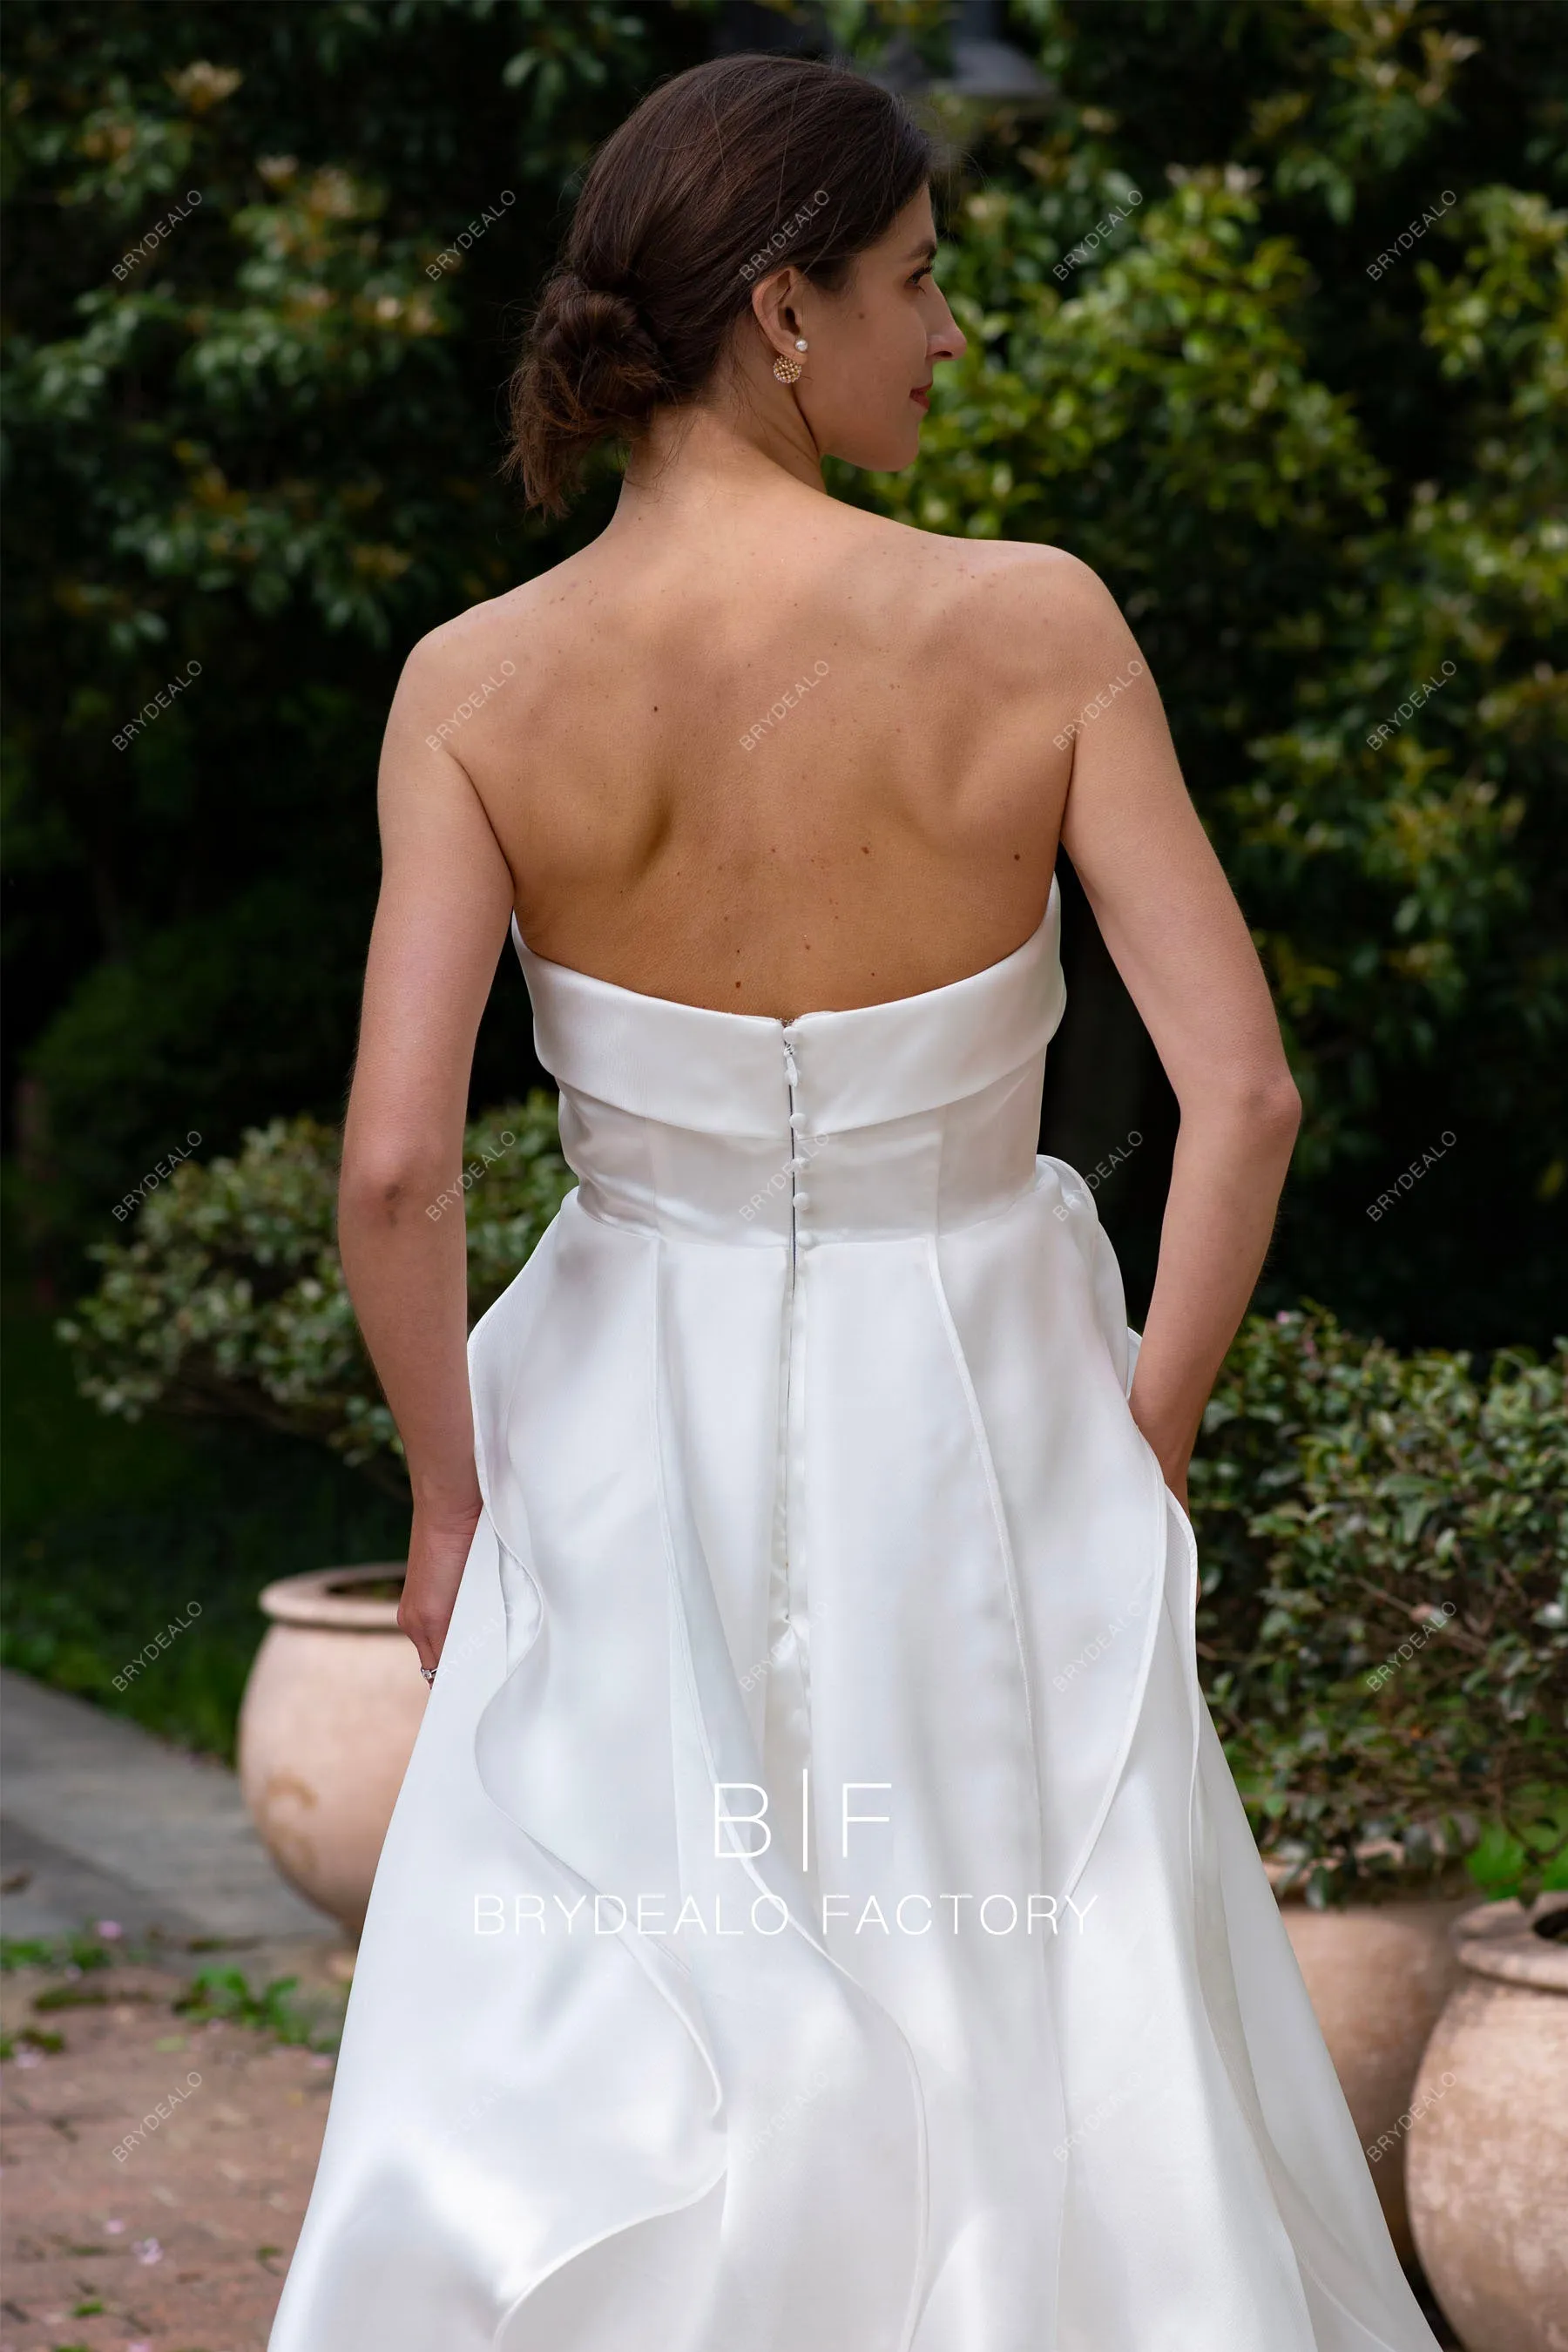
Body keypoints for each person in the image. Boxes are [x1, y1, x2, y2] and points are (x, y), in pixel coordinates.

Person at [267, 51, 1442, 2352]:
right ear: (780, 314)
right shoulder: (1036, 624)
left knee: (618, 1994)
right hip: (992, 1402)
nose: (952, 331)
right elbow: (1251, 1092)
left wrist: (441, 1487)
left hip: (613, 1409)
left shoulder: (477, 683)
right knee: (1034, 1971)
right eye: (921, 282)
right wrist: (1154, 1416)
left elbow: (399, 1163)